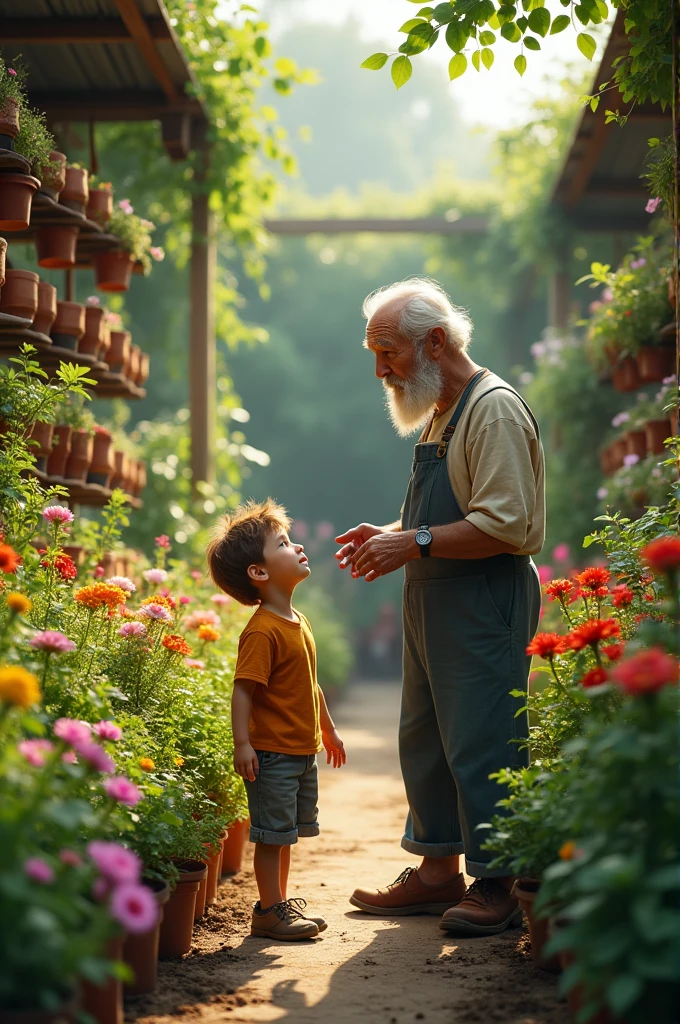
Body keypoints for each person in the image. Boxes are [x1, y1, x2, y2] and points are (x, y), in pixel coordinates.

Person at [336, 278, 544, 937]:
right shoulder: (441, 409)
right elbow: (435, 519)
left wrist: (415, 539)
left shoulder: (494, 409)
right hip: (434, 599)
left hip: (484, 599)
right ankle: (435, 871)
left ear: (434, 342)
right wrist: (393, 535)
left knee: (484, 738)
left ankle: (498, 880)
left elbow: (507, 526)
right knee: (425, 737)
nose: (379, 370)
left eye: (387, 352)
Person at [207, 498, 346, 941]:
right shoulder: (263, 630)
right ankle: (268, 910)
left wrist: (327, 727)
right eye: (284, 543)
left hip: (301, 750)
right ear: (259, 573)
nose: (298, 545)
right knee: (271, 836)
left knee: (285, 836)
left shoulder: (297, 620)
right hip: (272, 754)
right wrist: (242, 744)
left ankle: (278, 906)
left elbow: (311, 683)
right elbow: (243, 689)